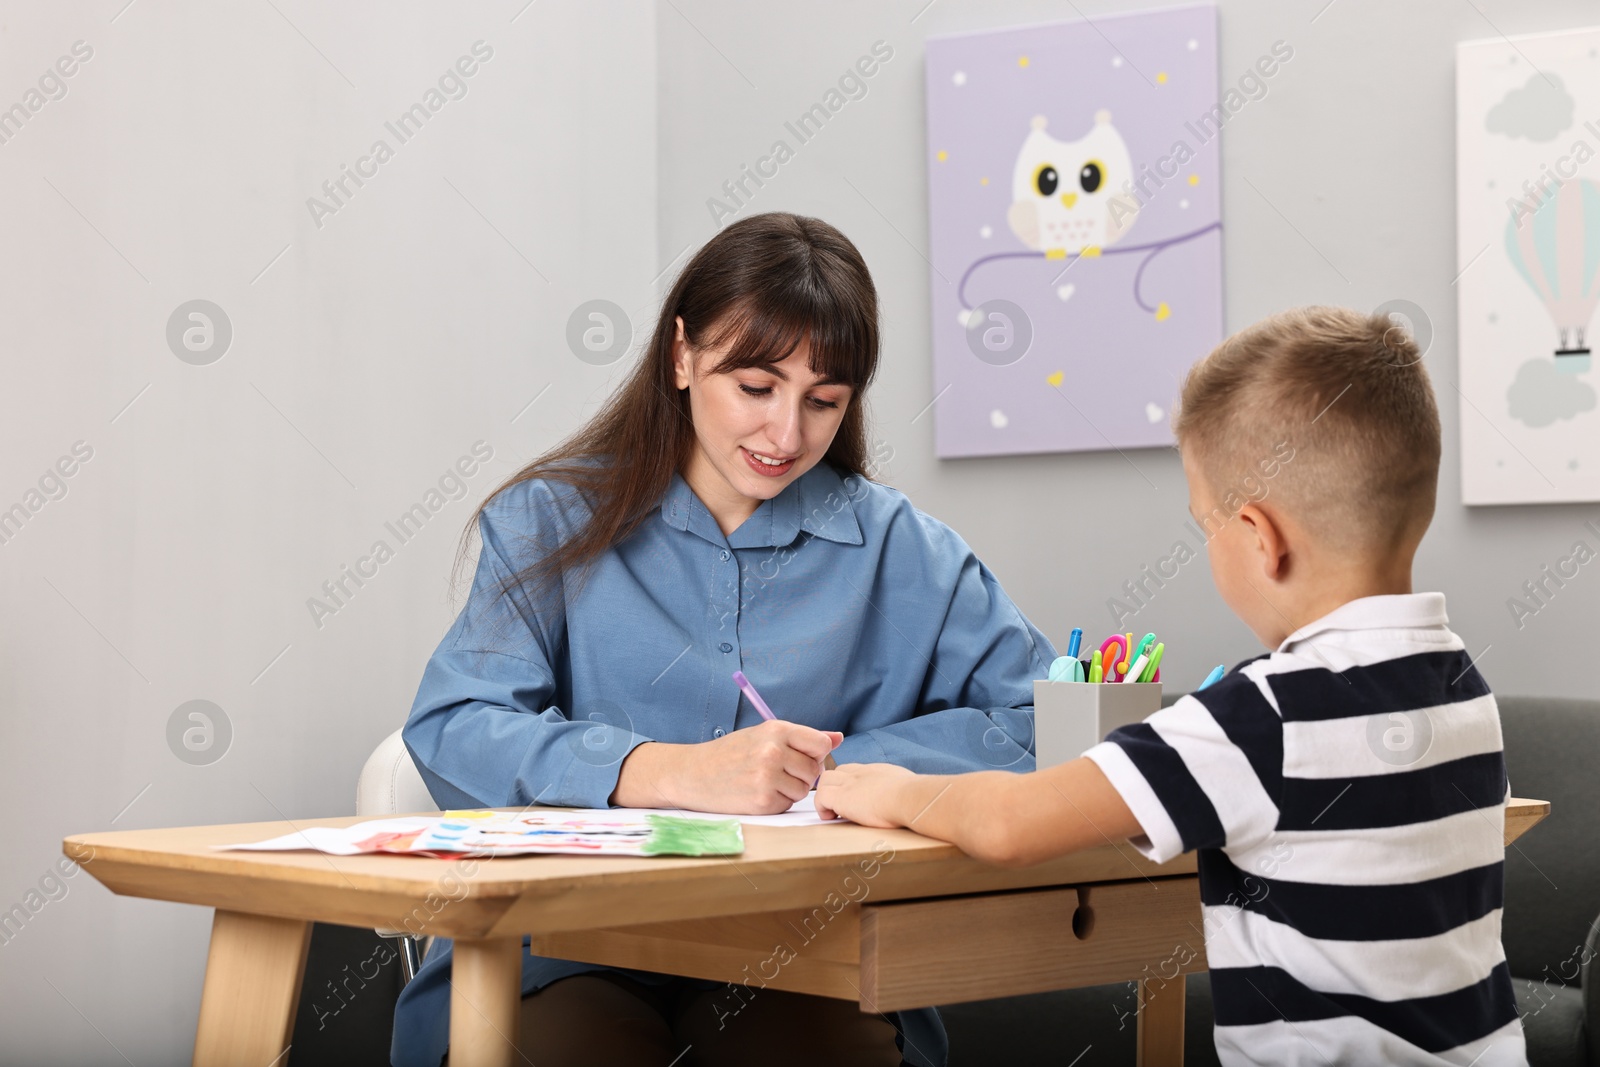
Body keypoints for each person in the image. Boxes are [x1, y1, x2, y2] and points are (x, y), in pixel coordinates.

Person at [389, 211, 1056, 1067]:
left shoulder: (905, 550)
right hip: (566, 949)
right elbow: (455, 720)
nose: (786, 435)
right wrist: (659, 770)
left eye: (824, 401)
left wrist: (848, 771)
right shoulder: (548, 521)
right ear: (681, 355)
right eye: (755, 387)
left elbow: (1046, 718)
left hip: (807, 950)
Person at [819, 306, 1529, 1066]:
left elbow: (1010, 825)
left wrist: (889, 789)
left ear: (1262, 539)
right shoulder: (1461, 685)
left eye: (1206, 526)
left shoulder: (1262, 717)